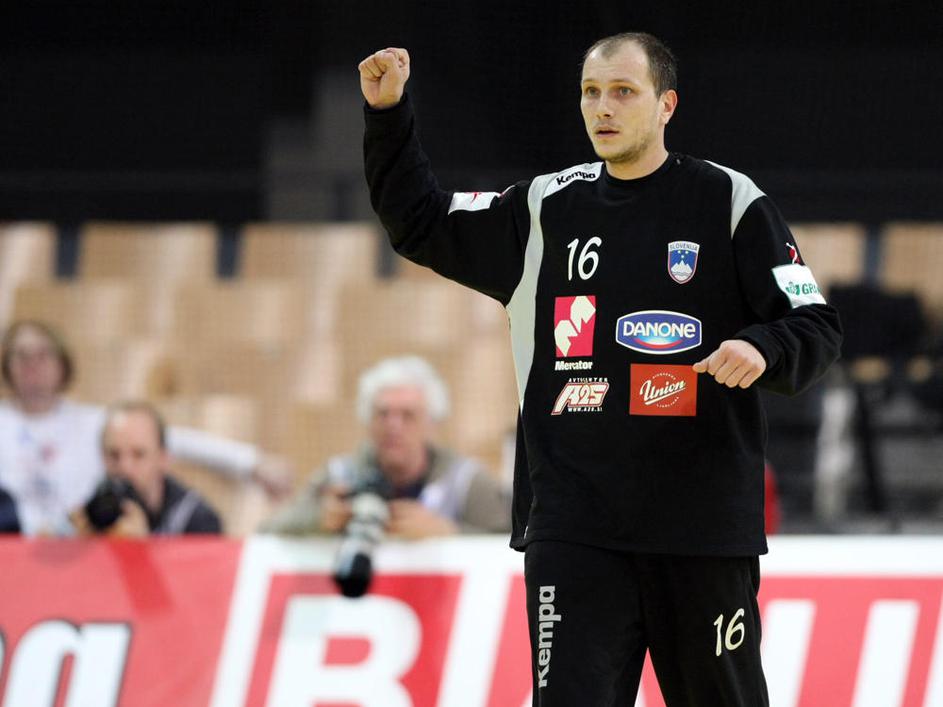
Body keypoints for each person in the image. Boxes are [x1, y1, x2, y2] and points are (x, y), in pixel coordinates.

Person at [359, 33, 841, 706]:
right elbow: (419, 220)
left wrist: (764, 346)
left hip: (700, 530)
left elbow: (815, 324)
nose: (602, 108)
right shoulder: (542, 209)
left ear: (666, 104)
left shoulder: (730, 200)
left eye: (622, 91)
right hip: (574, 531)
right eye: (590, 92)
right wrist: (388, 114)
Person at [0, 319, 291, 536]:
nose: (32, 365)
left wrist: (250, 462)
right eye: (21, 355)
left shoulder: (93, 422)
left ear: (62, 362)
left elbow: (173, 441)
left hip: (82, 550)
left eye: (43, 354)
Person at [262, 355, 511, 537]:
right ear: (368, 422)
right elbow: (267, 533)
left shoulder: (465, 482)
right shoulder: (339, 476)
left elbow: (513, 543)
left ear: (431, 425)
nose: (393, 426)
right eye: (382, 414)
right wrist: (316, 520)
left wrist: (448, 533)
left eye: (408, 416)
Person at [71, 400, 220, 536]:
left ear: (163, 458)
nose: (125, 468)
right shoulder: (95, 509)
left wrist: (143, 548)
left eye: (138, 455)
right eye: (114, 455)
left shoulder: (197, 519)